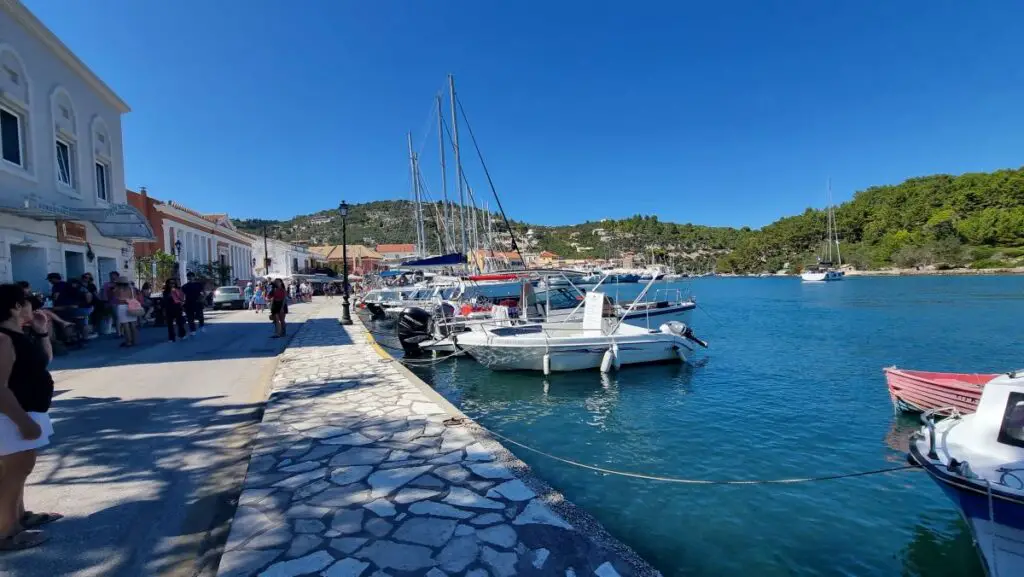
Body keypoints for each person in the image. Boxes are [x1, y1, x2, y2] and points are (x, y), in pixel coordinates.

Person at [0, 283, 58, 550]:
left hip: (28, 412)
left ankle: (19, 517)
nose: (31, 307)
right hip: (12, 417)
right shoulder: (3, 339)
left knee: (20, 471)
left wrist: (41, 331)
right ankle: (6, 532)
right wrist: (23, 422)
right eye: (26, 302)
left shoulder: (19, 334)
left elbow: (44, 360)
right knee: (13, 473)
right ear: (14, 307)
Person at [114, 281, 139, 348]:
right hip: (131, 306)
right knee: (133, 324)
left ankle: (128, 341)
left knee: (125, 324)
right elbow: (135, 297)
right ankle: (134, 340)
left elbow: (117, 299)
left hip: (122, 307)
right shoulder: (132, 289)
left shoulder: (118, 289)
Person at [181, 273, 205, 337]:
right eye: (189, 277)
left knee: (200, 315)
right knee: (190, 318)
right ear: (188, 278)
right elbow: (182, 295)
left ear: (194, 277)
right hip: (188, 303)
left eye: (192, 276)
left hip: (197, 302)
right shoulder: (185, 286)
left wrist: (203, 299)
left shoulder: (198, 285)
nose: (191, 278)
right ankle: (193, 330)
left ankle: (202, 325)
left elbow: (203, 293)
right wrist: (182, 302)